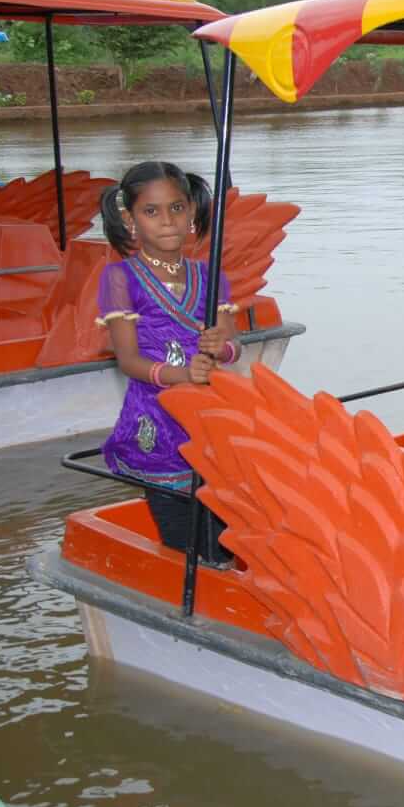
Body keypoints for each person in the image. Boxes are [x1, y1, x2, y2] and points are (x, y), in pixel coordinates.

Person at [96, 161, 239, 565]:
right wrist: (183, 374)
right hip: (157, 422)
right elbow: (128, 360)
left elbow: (232, 345)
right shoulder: (120, 278)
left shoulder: (209, 275)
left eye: (176, 208)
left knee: (225, 534)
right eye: (151, 211)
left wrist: (221, 346)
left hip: (209, 417)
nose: (167, 220)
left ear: (191, 211)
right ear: (130, 220)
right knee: (182, 537)